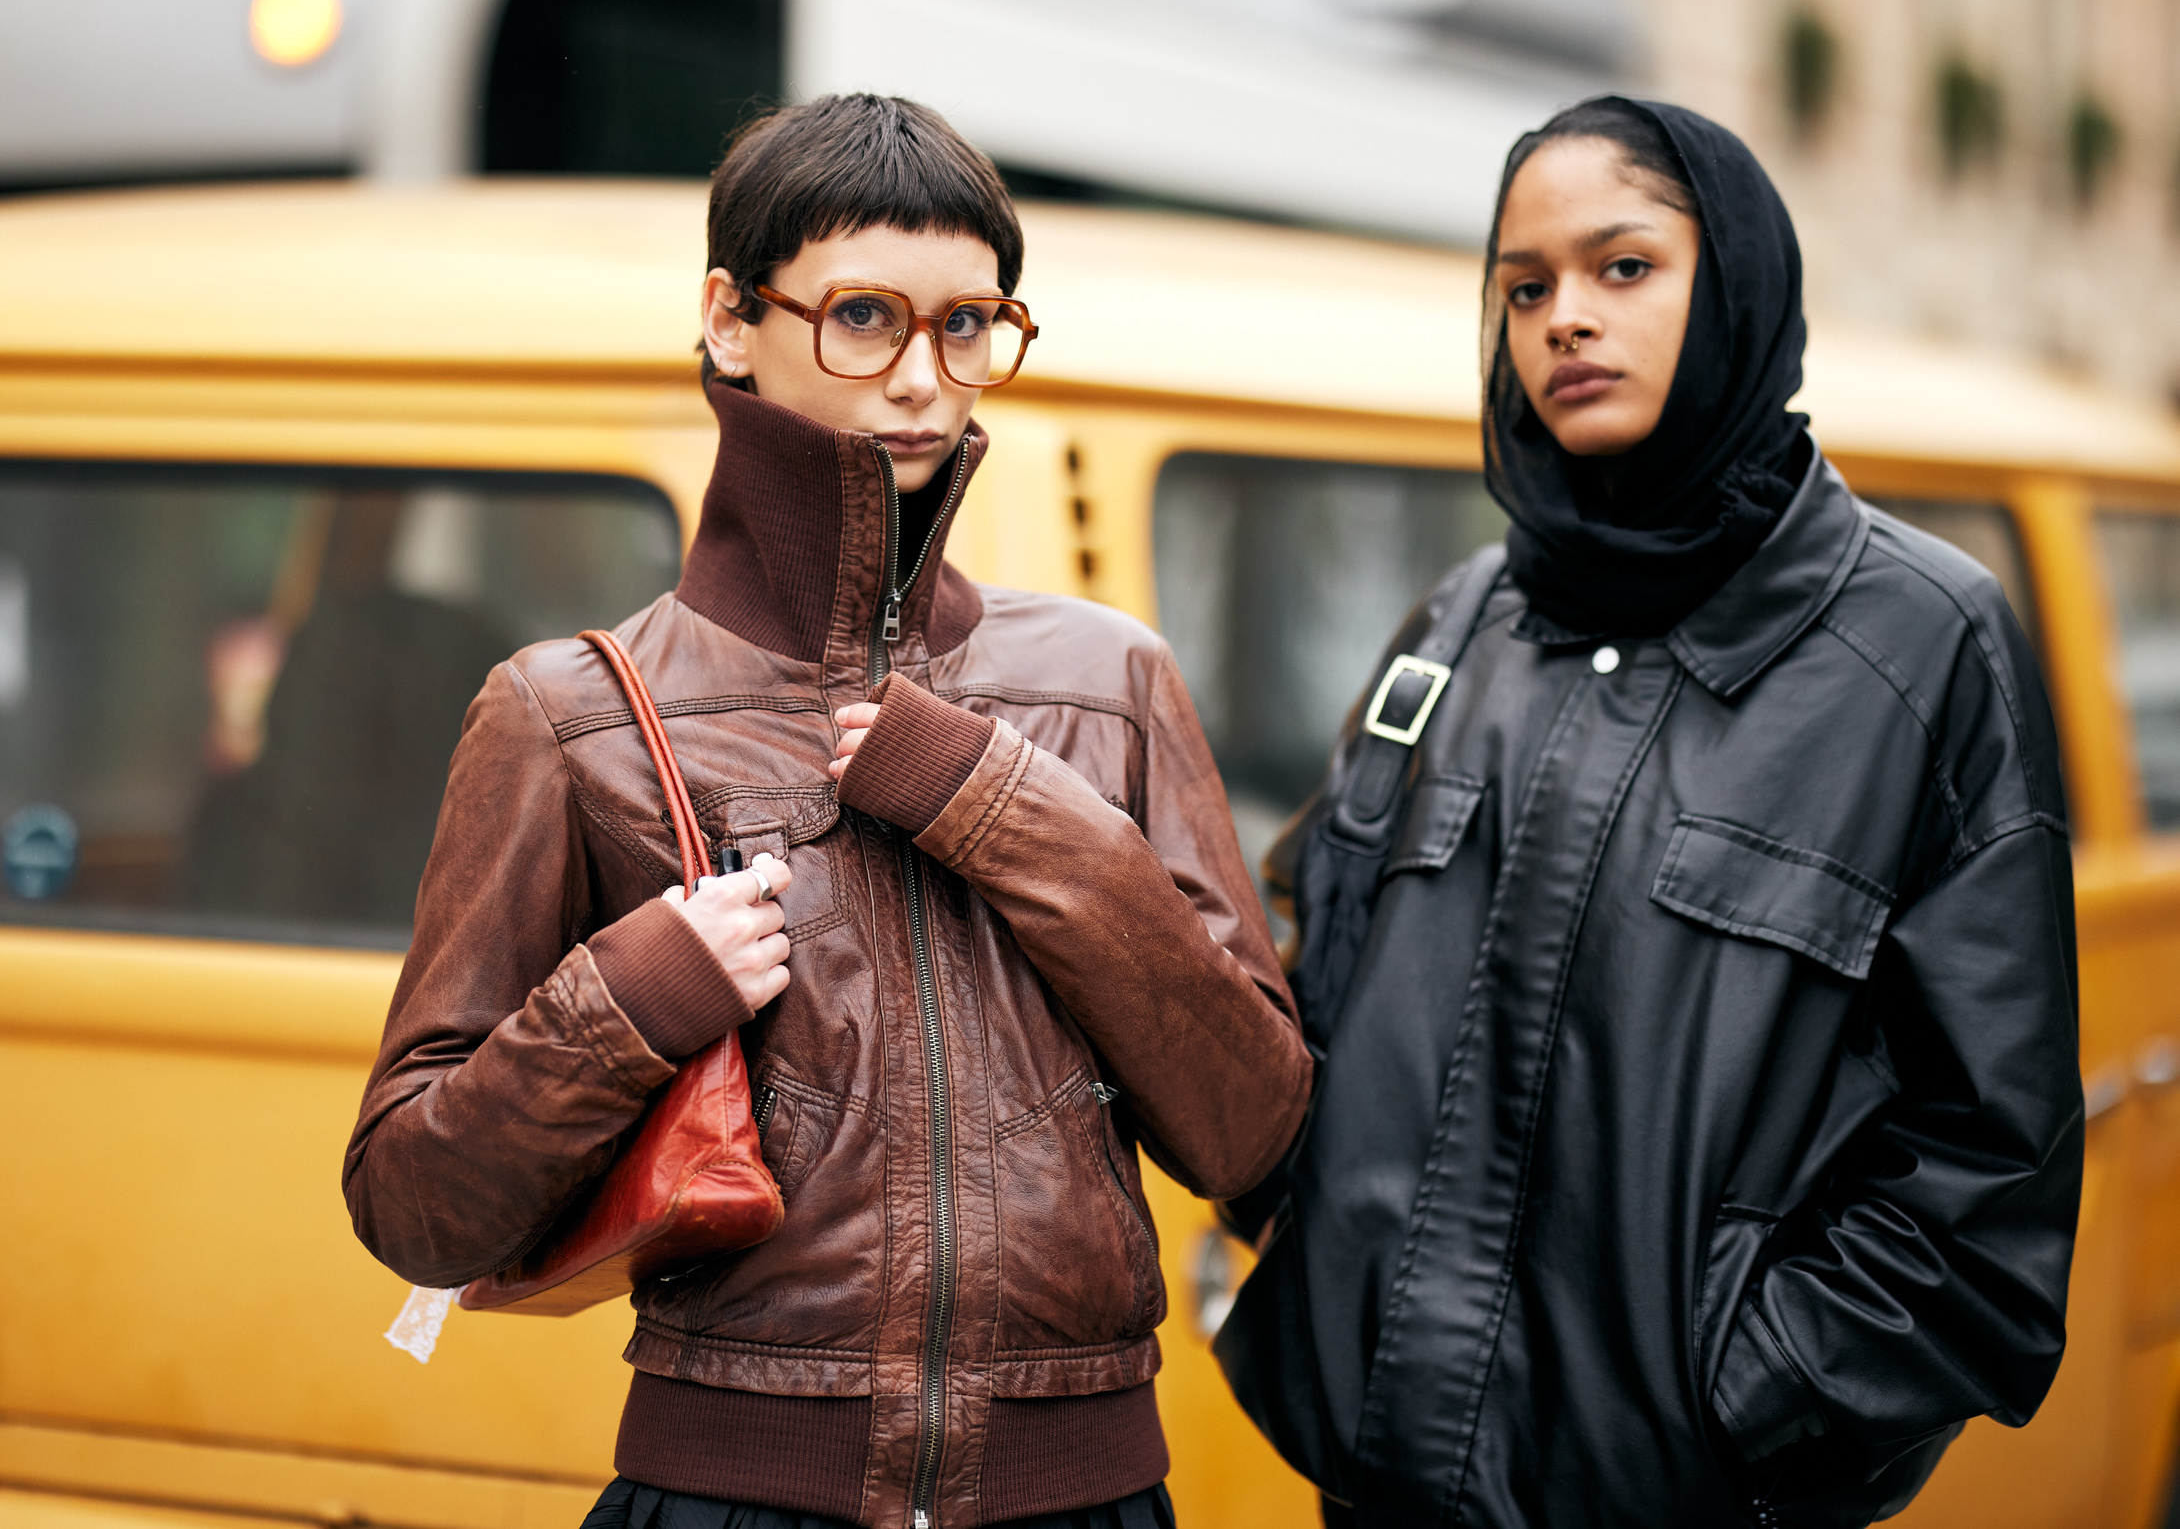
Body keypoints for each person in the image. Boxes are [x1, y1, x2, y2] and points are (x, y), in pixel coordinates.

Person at [342, 93, 1313, 1529]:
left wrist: (998, 805)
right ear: (733, 320)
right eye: (865, 316)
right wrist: (632, 994)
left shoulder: (1108, 684)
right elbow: (416, 1204)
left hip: (1085, 1494)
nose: (924, 377)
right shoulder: (571, 712)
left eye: (970, 325)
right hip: (733, 1494)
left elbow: (1250, 1134)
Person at [1216, 97, 2082, 1529]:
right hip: (1371, 1494)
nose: (1566, 318)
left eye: (1624, 268)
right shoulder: (1461, 619)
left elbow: (1987, 1175)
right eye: (1526, 286)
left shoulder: (1921, 644)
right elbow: (1314, 988)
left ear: (1732, 281)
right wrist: (1311, 1268)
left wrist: (1731, 1414)